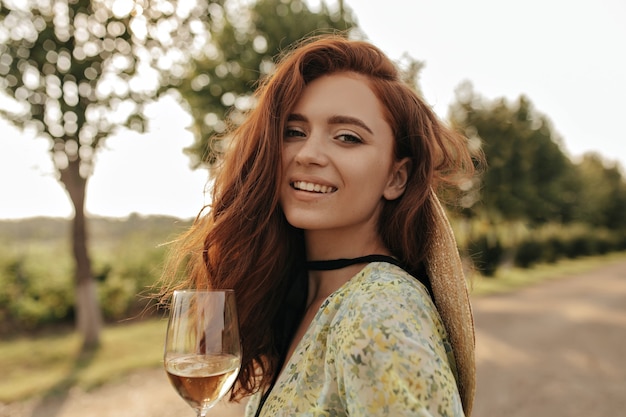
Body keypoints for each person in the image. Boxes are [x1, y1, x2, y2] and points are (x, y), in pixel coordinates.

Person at [159, 34, 478, 416]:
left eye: (347, 137)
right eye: (294, 132)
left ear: (397, 177)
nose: (308, 154)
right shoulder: (310, 298)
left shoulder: (378, 314)